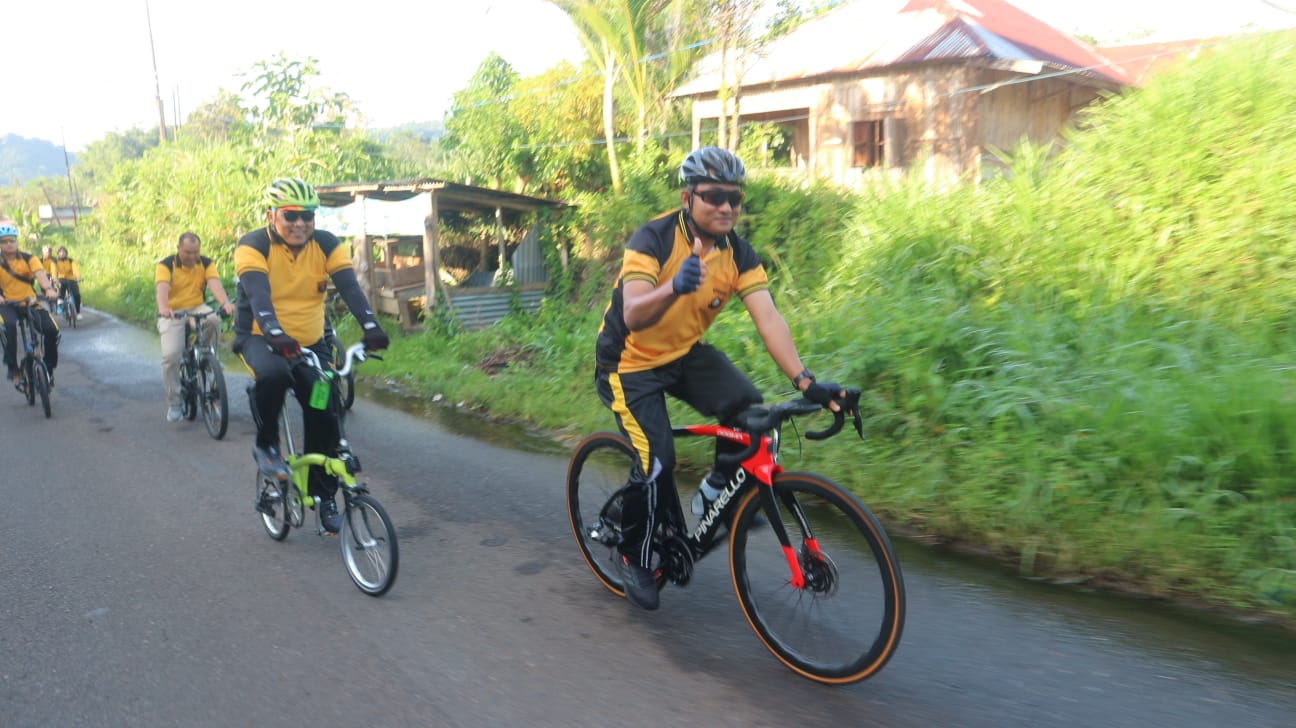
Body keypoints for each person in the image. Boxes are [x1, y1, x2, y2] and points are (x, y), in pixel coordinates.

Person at [594, 147, 842, 610]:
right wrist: (675, 285)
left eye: (735, 198)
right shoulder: (653, 238)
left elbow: (769, 318)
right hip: (628, 363)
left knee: (748, 408)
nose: (726, 206)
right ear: (688, 198)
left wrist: (806, 382)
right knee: (657, 459)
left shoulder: (738, 254)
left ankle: (713, 495)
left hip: (683, 354)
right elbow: (634, 312)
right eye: (714, 196)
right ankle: (633, 556)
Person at [234, 177, 389, 533]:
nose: (300, 223)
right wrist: (275, 334)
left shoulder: (327, 244)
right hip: (261, 337)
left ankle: (324, 497)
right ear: (271, 215)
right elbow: (258, 297)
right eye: (291, 215)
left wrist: (371, 326)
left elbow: (350, 287)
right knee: (273, 376)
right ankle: (267, 444)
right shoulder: (252, 245)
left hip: (311, 343)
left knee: (324, 409)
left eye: (308, 215)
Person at [155, 232, 236, 422]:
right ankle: (175, 403)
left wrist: (224, 302)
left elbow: (215, 284)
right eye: (188, 252)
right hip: (173, 311)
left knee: (214, 319)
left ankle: (209, 355)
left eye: (196, 252)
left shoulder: (206, 263)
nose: (192, 257)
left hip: (196, 307)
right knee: (171, 355)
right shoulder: (166, 265)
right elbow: (162, 289)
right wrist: (164, 308)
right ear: (178, 249)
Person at [0, 223, 61, 387]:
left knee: (52, 330)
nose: (8, 244)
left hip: (30, 302)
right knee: (8, 327)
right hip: (7, 304)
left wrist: (48, 289)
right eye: (4, 241)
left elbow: (40, 275)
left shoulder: (29, 258)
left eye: (11, 240)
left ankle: (48, 368)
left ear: (16, 241)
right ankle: (13, 369)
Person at [51, 245, 84, 319]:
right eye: (60, 252)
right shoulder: (55, 261)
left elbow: (75, 269)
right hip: (60, 279)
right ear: (58, 253)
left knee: (76, 295)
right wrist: (54, 278)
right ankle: (60, 305)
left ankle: (78, 313)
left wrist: (78, 277)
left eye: (64, 252)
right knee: (60, 290)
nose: (62, 253)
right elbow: (54, 271)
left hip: (71, 279)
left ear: (66, 253)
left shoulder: (70, 261)